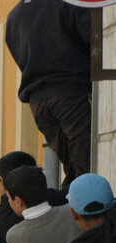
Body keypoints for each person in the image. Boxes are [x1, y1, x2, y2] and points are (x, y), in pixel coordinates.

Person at [6, 0, 91, 188]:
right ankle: (83, 202)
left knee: (73, 164)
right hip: (71, 92)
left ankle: (70, 200)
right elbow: (92, 35)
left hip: (38, 101)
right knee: (86, 163)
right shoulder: (66, 3)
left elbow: (17, 52)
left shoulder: (14, 16)